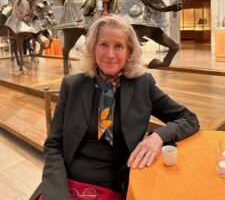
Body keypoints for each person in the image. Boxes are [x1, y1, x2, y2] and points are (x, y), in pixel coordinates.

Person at [30, 15, 199, 200]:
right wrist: (57, 196)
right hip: (66, 181)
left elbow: (189, 118)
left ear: (129, 51)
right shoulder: (72, 85)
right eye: (103, 44)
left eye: (118, 46)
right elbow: (53, 145)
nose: (110, 54)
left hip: (117, 183)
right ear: (93, 48)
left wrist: (158, 137)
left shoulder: (143, 85)